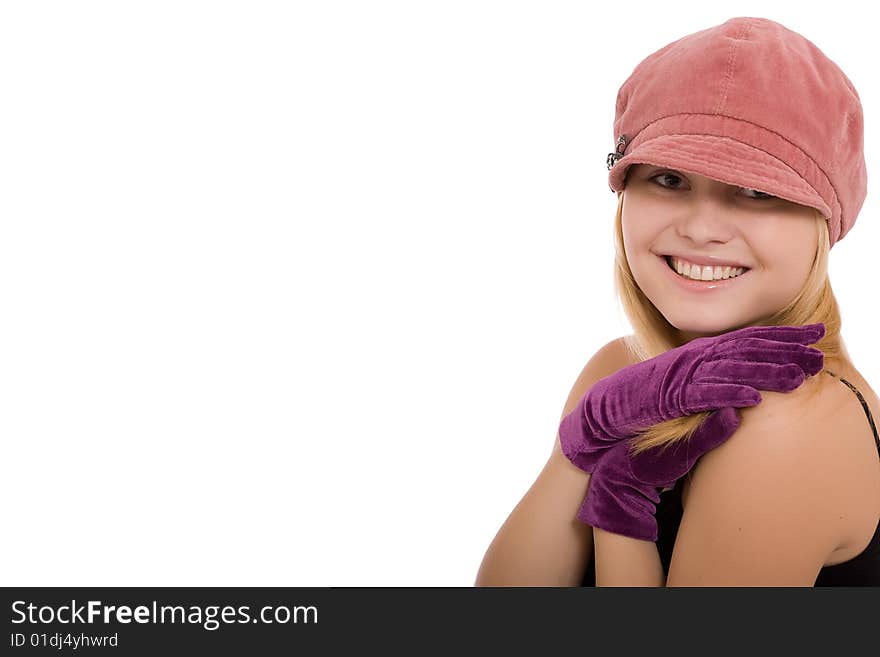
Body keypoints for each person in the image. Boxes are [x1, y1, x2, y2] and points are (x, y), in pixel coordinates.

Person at [474, 16, 879, 586]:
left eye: (756, 191)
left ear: (824, 223)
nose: (701, 228)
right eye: (668, 179)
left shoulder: (785, 430)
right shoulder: (621, 369)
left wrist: (619, 502)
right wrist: (581, 450)